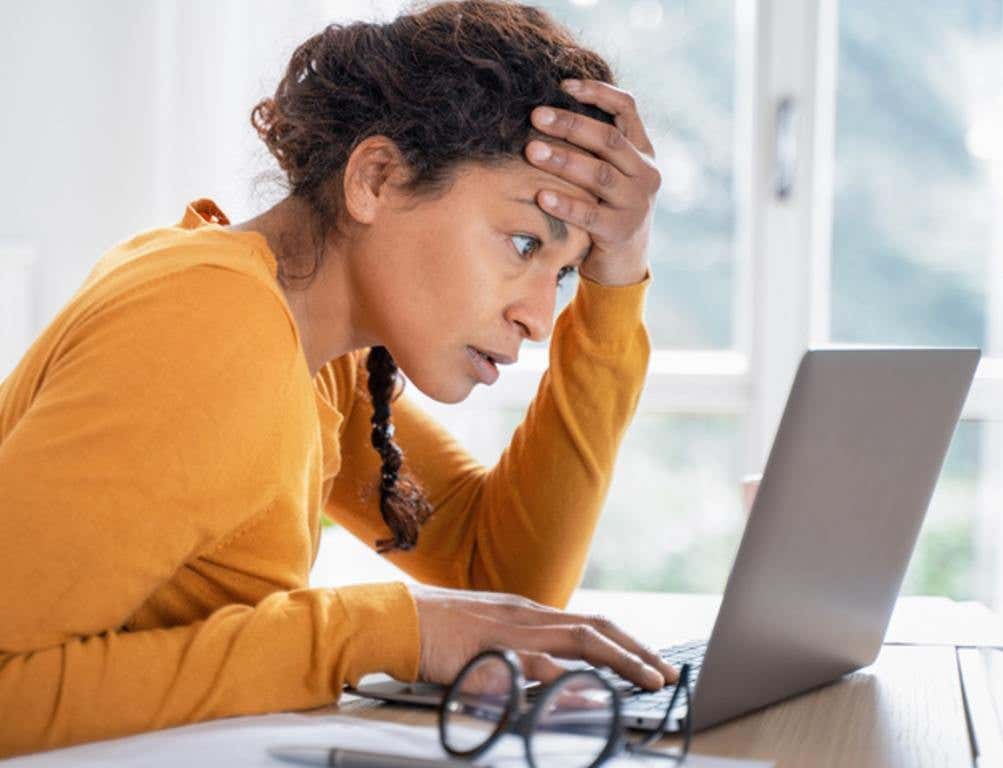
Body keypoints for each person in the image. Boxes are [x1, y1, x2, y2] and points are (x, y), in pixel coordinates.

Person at [0, 0, 671, 756]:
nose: (539, 319)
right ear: (376, 178)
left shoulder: (313, 351)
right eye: (522, 243)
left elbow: (500, 576)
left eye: (564, 276)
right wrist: (372, 633)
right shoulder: (213, 325)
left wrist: (619, 281)